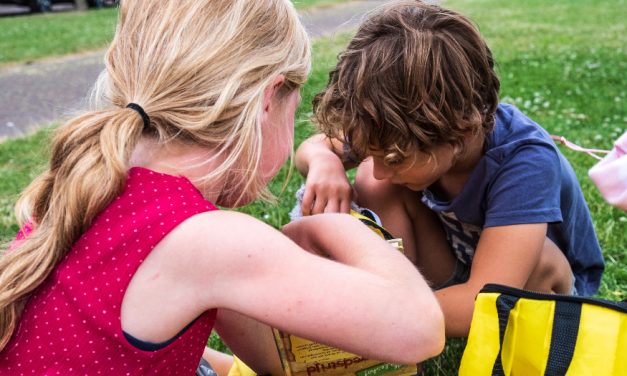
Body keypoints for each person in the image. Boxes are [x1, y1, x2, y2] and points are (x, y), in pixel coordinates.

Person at [0, 1, 446, 374]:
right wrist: (337, 227)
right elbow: (420, 330)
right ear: (268, 99)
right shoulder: (209, 241)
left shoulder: (92, 183)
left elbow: (270, 357)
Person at [295, 0, 605, 338]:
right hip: (461, 263)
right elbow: (314, 147)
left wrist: (369, 314)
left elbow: (484, 301)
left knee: (540, 261)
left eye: (394, 159)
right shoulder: (403, 132)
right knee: (374, 180)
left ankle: (406, 317)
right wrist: (324, 162)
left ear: (461, 131)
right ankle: (406, 302)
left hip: (535, 291)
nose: (383, 168)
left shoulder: (524, 161)